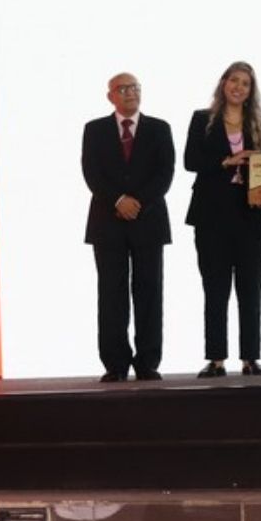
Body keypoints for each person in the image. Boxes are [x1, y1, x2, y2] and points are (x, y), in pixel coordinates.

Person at [81, 72, 175, 382]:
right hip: (107, 223)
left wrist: (138, 203)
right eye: (122, 89)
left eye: (134, 87)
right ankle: (115, 363)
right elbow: (91, 172)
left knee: (149, 292)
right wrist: (119, 200)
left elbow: (165, 174)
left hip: (149, 222)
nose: (130, 93)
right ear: (110, 96)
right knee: (111, 293)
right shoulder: (94, 130)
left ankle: (147, 362)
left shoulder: (159, 128)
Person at [184, 61, 261, 377]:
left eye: (245, 83)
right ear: (224, 83)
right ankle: (216, 358)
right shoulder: (202, 119)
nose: (239, 87)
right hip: (211, 215)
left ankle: (250, 357)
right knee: (215, 288)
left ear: (251, 91)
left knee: (251, 290)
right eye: (234, 80)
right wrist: (228, 161)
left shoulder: (260, 122)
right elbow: (191, 161)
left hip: (252, 216)